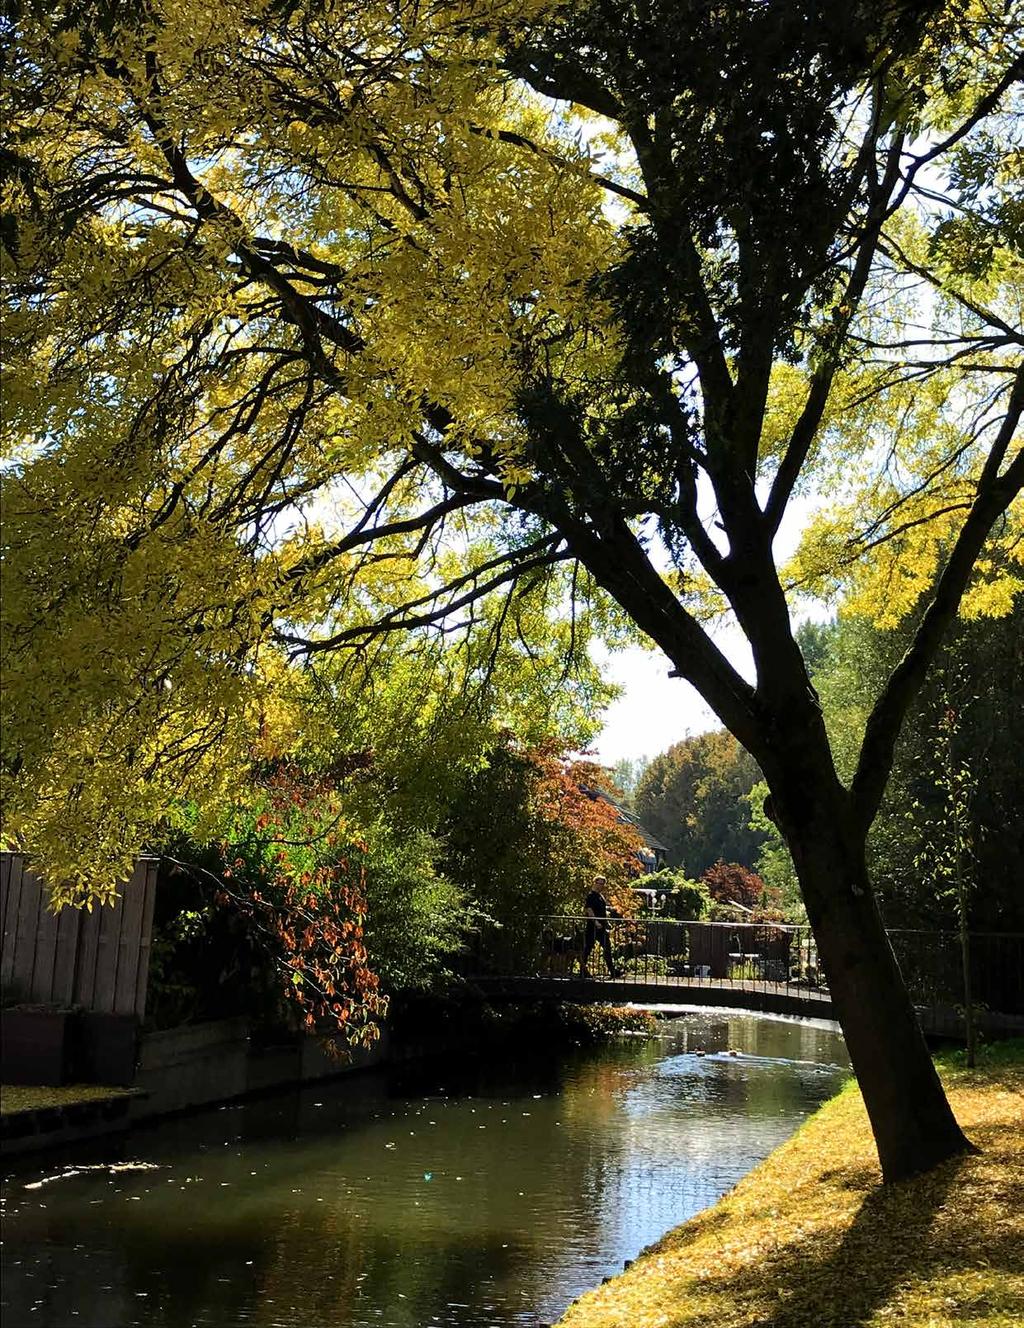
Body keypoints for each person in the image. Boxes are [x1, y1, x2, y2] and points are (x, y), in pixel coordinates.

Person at [582, 875, 622, 978]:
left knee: (607, 948)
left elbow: (602, 911)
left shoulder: (600, 896)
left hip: (602, 927)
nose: (601, 886)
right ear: (594, 883)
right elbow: (589, 910)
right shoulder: (591, 896)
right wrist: (596, 922)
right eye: (599, 883)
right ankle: (583, 971)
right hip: (593, 927)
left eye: (603, 884)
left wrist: (606, 922)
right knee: (588, 949)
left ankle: (612, 971)